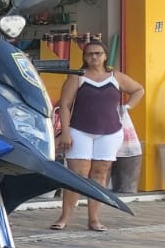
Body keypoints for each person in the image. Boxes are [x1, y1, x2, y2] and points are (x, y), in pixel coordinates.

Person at [51, 40, 143, 232]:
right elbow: (65, 105)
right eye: (90, 53)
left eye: (98, 53)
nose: (94, 57)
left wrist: (126, 107)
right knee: (77, 175)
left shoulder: (115, 77)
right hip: (79, 130)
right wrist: (65, 132)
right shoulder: (77, 77)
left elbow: (138, 89)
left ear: (105, 55)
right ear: (84, 57)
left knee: (100, 174)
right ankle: (64, 217)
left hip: (109, 132)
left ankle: (94, 219)